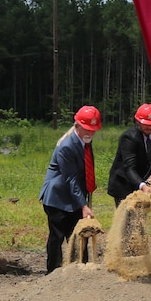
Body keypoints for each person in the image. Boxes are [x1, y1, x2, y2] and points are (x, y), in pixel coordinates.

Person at [39, 105, 102, 273]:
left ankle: (80, 271)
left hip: (74, 198)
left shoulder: (85, 141)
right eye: (87, 129)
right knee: (57, 237)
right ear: (77, 126)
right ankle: (53, 273)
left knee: (79, 236)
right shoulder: (67, 146)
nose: (90, 133)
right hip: (57, 198)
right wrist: (83, 205)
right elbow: (71, 179)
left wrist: (83, 202)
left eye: (93, 130)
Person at [107, 103, 151, 207]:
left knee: (140, 216)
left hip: (143, 183)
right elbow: (129, 167)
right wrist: (142, 185)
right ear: (138, 121)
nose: (148, 126)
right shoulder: (129, 137)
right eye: (145, 123)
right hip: (124, 184)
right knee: (127, 219)